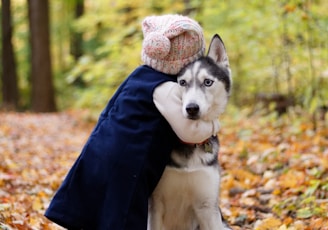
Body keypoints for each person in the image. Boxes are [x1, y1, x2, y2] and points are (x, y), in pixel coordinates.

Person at [45, 14, 220, 230]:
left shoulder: (137, 76)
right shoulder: (167, 89)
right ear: (188, 61)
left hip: (100, 150)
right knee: (124, 214)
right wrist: (213, 126)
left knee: (101, 208)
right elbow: (190, 132)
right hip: (129, 162)